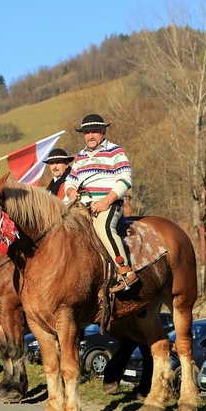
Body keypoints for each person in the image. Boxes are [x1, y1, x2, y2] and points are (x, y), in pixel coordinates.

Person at [65, 114, 137, 293]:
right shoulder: (80, 157)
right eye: (87, 132)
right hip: (82, 205)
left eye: (94, 132)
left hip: (109, 202)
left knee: (103, 227)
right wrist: (70, 191)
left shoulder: (115, 151)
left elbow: (125, 179)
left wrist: (107, 200)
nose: (90, 136)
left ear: (103, 132)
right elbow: (70, 181)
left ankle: (125, 272)